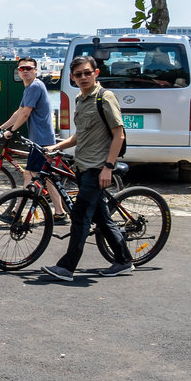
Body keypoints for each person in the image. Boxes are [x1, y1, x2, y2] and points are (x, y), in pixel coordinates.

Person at [41, 55, 134, 281]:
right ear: (72, 77)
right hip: (82, 167)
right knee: (102, 218)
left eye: (87, 73)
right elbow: (79, 135)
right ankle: (123, 260)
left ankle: (67, 267)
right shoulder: (80, 99)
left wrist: (108, 168)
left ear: (96, 73)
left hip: (98, 168)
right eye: (78, 74)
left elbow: (118, 134)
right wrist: (57, 146)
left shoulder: (105, 98)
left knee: (81, 217)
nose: (83, 77)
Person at [0, 57, 66, 221]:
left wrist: (11, 132)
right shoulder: (32, 87)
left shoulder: (34, 86)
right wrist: (2, 127)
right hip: (42, 138)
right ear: (18, 72)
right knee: (46, 178)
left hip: (41, 141)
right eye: (22, 69)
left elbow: (26, 113)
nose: (25, 71)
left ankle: (16, 214)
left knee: (29, 175)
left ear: (36, 70)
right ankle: (60, 213)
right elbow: (19, 111)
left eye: (29, 68)